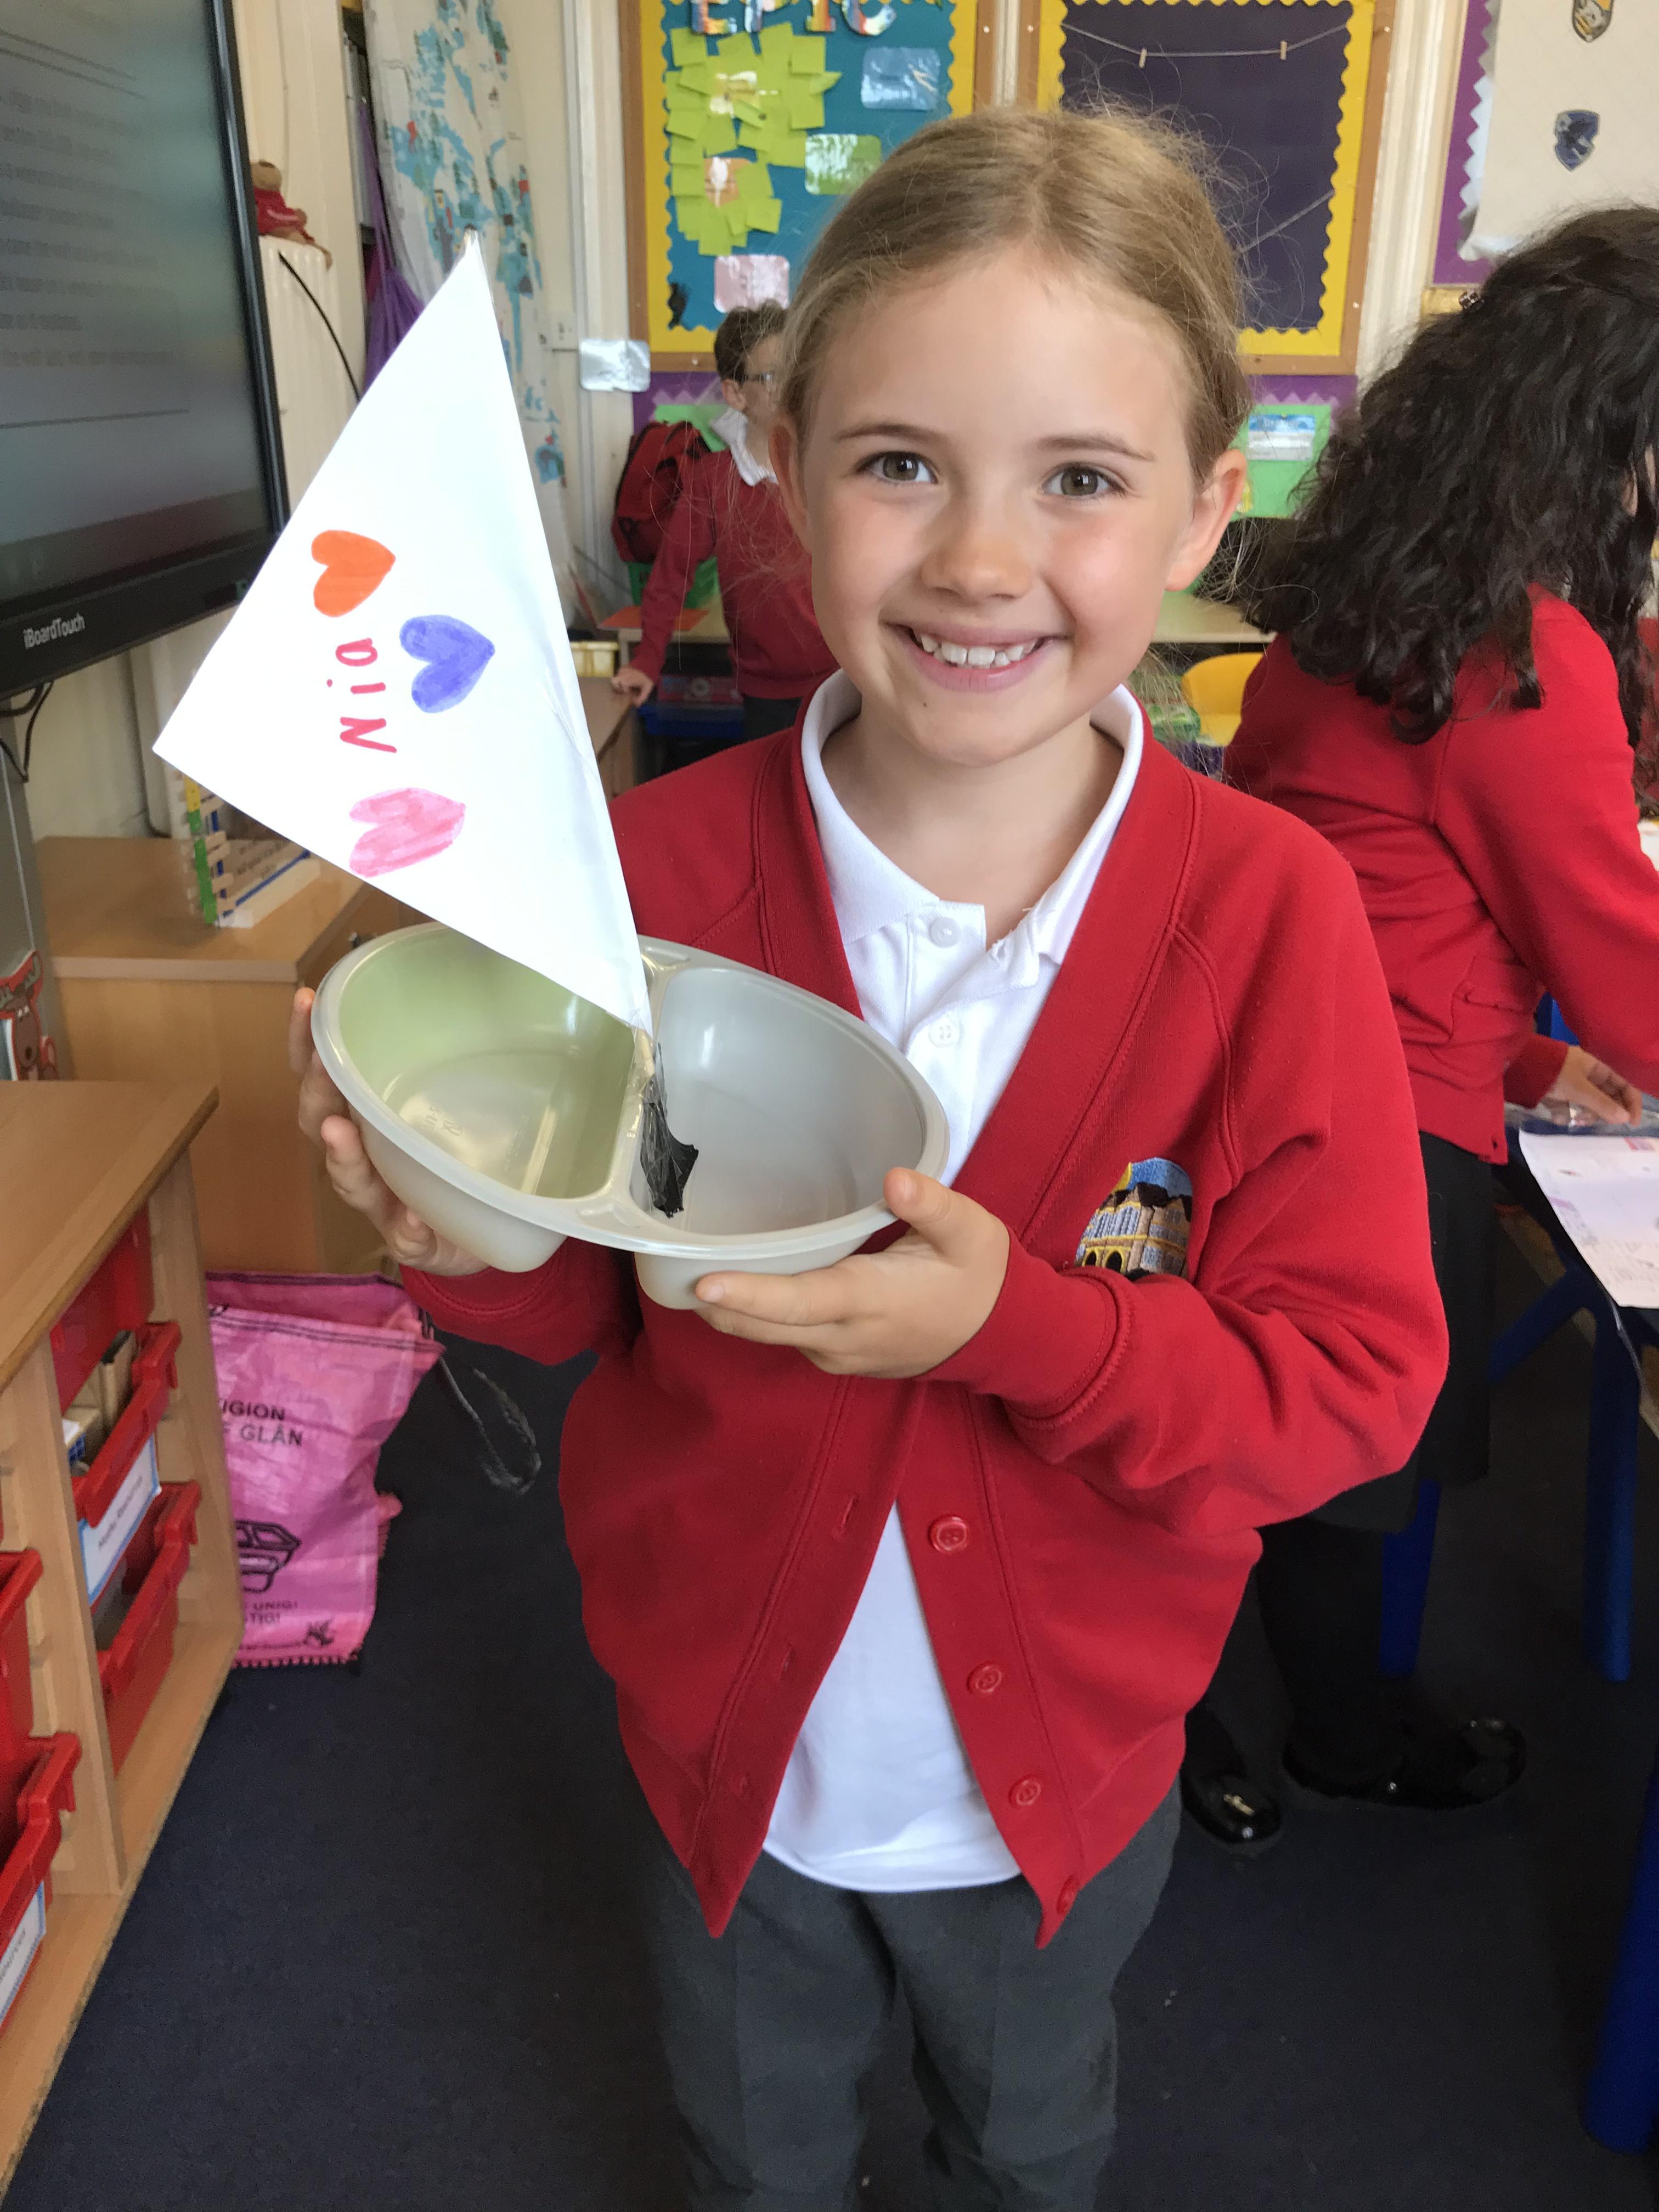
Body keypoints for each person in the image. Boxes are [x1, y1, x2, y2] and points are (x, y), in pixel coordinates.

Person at [292, 107, 1446, 2210]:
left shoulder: (1265, 914)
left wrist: (1019, 1327)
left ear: (1205, 506)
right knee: (749, 2146)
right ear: (780, 457)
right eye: (899, 461)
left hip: (1055, 1776)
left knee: (1026, 2141)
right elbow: (593, 1288)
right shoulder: (644, 878)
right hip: (725, 1751)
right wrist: (454, 1223)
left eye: (1077, 479)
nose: (981, 560)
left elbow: (1347, 1392)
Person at [1197, 206, 1659, 1852]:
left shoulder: (1358, 606)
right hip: (1382, 1132)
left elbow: (1362, 880)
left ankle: (1187, 1704)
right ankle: (1342, 1733)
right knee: (1351, 1468)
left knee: (1260, 1429)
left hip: (1267, 1077)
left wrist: (1521, 1054)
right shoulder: (1530, 655)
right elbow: (1628, 972)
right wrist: (1523, 1043)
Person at [613, 303, 837, 746]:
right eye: (775, 376)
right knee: (772, 784)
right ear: (736, 395)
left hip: (843, 680)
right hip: (765, 695)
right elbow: (670, 576)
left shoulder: (827, 471)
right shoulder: (713, 481)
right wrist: (647, 661)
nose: (794, 387)